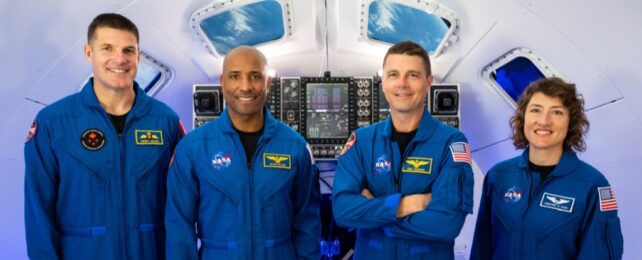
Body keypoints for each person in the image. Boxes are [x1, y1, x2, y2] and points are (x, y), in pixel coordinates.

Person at [24, 13, 184, 259]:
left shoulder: (167, 122)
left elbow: (182, 207)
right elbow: (38, 211)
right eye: (107, 48)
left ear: (138, 56)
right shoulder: (52, 123)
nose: (119, 59)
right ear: (89, 53)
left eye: (128, 50)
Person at [165, 46, 320, 259]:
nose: (245, 86)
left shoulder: (295, 147)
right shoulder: (192, 148)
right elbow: (179, 228)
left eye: (255, 76)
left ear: (268, 83)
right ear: (222, 82)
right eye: (235, 76)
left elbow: (307, 223)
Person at [332, 41, 474, 259]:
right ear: (383, 82)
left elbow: (447, 223)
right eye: (393, 75)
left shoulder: (451, 143)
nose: (402, 84)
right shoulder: (360, 141)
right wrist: (402, 206)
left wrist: (378, 215)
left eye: (413, 75)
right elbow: (343, 210)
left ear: (428, 82)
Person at [471, 77, 624, 259]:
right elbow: (482, 247)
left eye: (557, 112)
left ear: (570, 122)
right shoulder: (499, 176)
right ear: (523, 117)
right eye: (536, 110)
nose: (544, 121)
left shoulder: (592, 185)